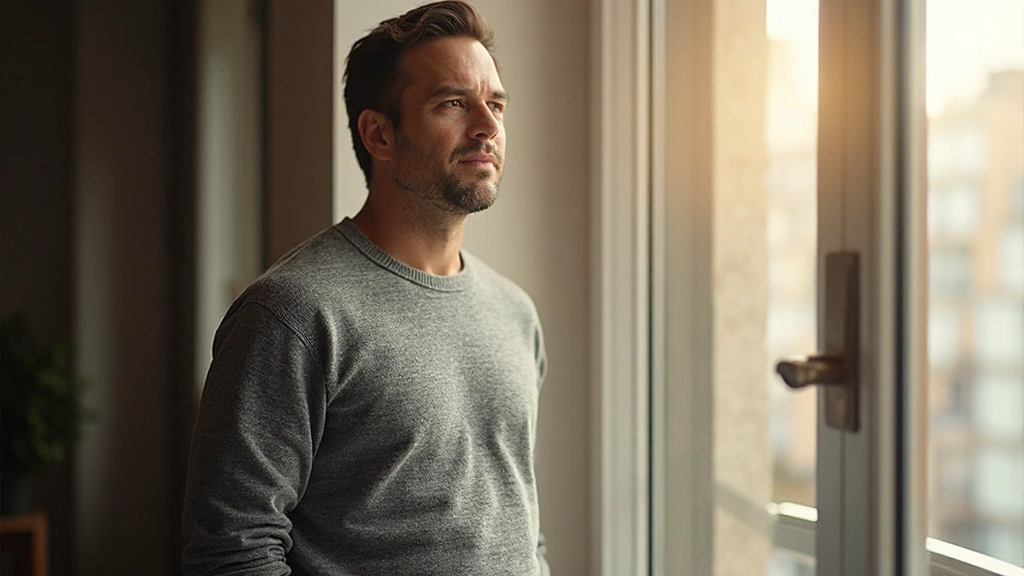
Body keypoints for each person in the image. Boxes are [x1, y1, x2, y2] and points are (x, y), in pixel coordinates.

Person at [181, 1, 550, 575]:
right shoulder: (293, 315)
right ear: (378, 133)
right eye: (453, 102)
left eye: (496, 103)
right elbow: (232, 552)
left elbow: (517, 524)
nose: (487, 126)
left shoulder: (515, 313)